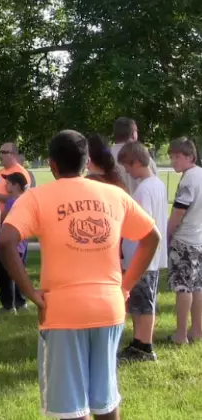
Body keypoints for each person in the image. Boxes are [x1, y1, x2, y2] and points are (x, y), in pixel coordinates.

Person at [0, 129, 160, 420]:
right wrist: (125, 285)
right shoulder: (115, 195)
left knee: (70, 408)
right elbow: (152, 237)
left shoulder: (36, 197)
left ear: (52, 164)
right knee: (106, 401)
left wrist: (30, 293)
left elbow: (6, 241)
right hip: (108, 308)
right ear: (87, 163)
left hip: (62, 312)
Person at [116, 142, 168, 361]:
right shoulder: (155, 184)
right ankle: (138, 342)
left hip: (142, 256)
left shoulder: (145, 189)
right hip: (146, 257)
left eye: (128, 166)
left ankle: (145, 347)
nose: (126, 171)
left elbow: (143, 226)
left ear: (137, 162)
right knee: (139, 302)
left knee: (144, 303)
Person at [166, 137, 202, 344]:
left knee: (183, 288)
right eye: (171, 156)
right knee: (197, 287)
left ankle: (181, 335)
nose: (173, 161)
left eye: (177, 156)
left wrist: (168, 234)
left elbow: (179, 211)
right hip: (198, 238)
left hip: (184, 241)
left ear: (190, 156)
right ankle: (197, 331)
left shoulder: (189, 179)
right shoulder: (200, 174)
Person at [0, 142, 31, 311]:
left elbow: (20, 198)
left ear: (14, 154)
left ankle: (13, 303)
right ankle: (17, 301)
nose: (0, 154)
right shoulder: (0, 173)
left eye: (4, 152)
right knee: (10, 267)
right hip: (2, 223)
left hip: (11, 226)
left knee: (9, 266)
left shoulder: (20, 173)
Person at [110, 117, 158, 194]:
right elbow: (155, 182)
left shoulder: (105, 157)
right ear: (133, 134)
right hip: (140, 203)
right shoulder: (143, 156)